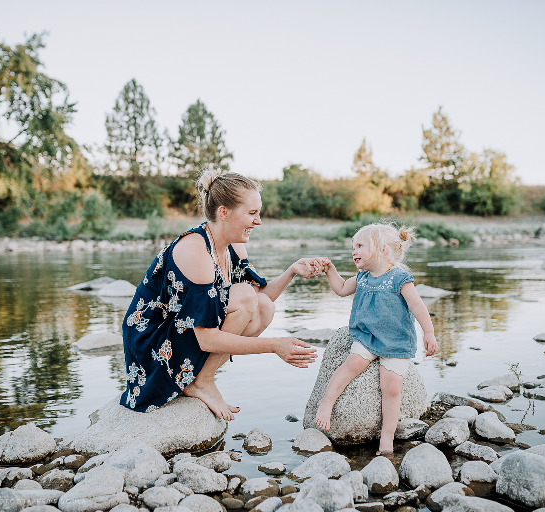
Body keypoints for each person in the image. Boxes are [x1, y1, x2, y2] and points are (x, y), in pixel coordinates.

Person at [121, 169, 323, 421]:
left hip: (184, 334)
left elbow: (261, 301)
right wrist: (274, 346)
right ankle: (201, 381)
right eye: (252, 213)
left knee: (263, 307)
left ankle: (201, 379)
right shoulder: (195, 250)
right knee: (247, 296)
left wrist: (292, 271)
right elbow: (207, 339)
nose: (258, 221)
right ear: (224, 212)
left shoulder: (233, 246)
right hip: (153, 346)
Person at [314, 223, 438, 455]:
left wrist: (428, 332)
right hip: (367, 337)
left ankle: (387, 438)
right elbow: (341, 288)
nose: (354, 251)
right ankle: (326, 402)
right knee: (351, 364)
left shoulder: (399, 278)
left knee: (391, 388)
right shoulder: (363, 277)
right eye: (353, 246)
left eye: (360, 245)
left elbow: (417, 306)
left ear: (382, 249)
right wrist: (330, 269)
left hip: (396, 343)